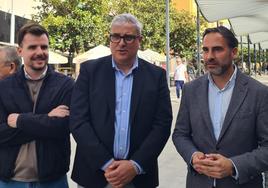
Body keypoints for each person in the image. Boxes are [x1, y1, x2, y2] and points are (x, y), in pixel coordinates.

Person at [70, 13, 172, 188]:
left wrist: (135, 165)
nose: (121, 42)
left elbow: (162, 125)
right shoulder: (90, 71)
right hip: (94, 173)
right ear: (110, 39)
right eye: (115, 36)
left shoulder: (156, 76)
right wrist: (106, 163)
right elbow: (78, 120)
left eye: (129, 37)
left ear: (139, 40)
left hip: (138, 175)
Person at [172, 26, 268, 188]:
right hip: (199, 183)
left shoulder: (258, 92)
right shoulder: (191, 90)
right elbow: (180, 134)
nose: (209, 57)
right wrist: (193, 155)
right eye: (205, 50)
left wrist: (233, 165)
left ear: (234, 52)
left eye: (217, 50)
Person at [0, 22, 74, 187]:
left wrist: (20, 121)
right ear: (20, 51)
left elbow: (62, 127)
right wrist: (46, 119)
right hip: (10, 181)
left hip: (53, 180)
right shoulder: (4, 87)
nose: (40, 52)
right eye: (33, 47)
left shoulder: (66, 85)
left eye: (44, 47)